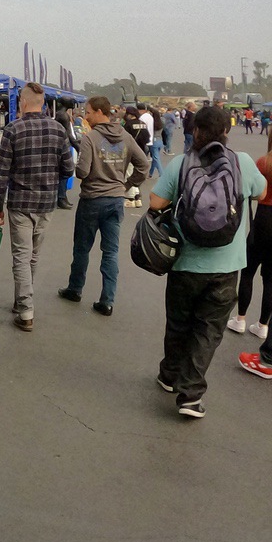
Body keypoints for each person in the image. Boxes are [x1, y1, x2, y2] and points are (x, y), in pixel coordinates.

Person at [149, 105, 267, 417]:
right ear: (226, 131)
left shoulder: (181, 163)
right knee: (208, 330)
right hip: (226, 268)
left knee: (178, 323)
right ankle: (190, 395)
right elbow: (261, 192)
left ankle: (169, 375)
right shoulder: (241, 161)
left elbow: (156, 202)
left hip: (185, 264)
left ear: (196, 131)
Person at [0, 83, 74, 333]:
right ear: (44, 103)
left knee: (21, 256)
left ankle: (25, 309)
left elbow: (2, 172)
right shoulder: (58, 129)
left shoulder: (13, 129)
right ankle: (22, 301)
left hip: (20, 202)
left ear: (23, 102)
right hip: (46, 203)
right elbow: (68, 168)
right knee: (33, 256)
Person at [60, 96, 149, 315]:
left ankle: (75, 288)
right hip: (115, 199)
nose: (86, 116)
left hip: (92, 199)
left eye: (89, 112)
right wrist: (127, 185)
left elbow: (82, 171)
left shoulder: (90, 138)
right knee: (110, 251)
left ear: (100, 112)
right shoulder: (125, 136)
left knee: (82, 248)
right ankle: (107, 300)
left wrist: (79, 167)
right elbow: (143, 165)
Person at [230, 128, 272, 340]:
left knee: (248, 271)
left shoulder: (264, 162)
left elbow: (256, 192)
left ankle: (240, 318)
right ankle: (263, 324)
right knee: (270, 279)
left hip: (263, 219)